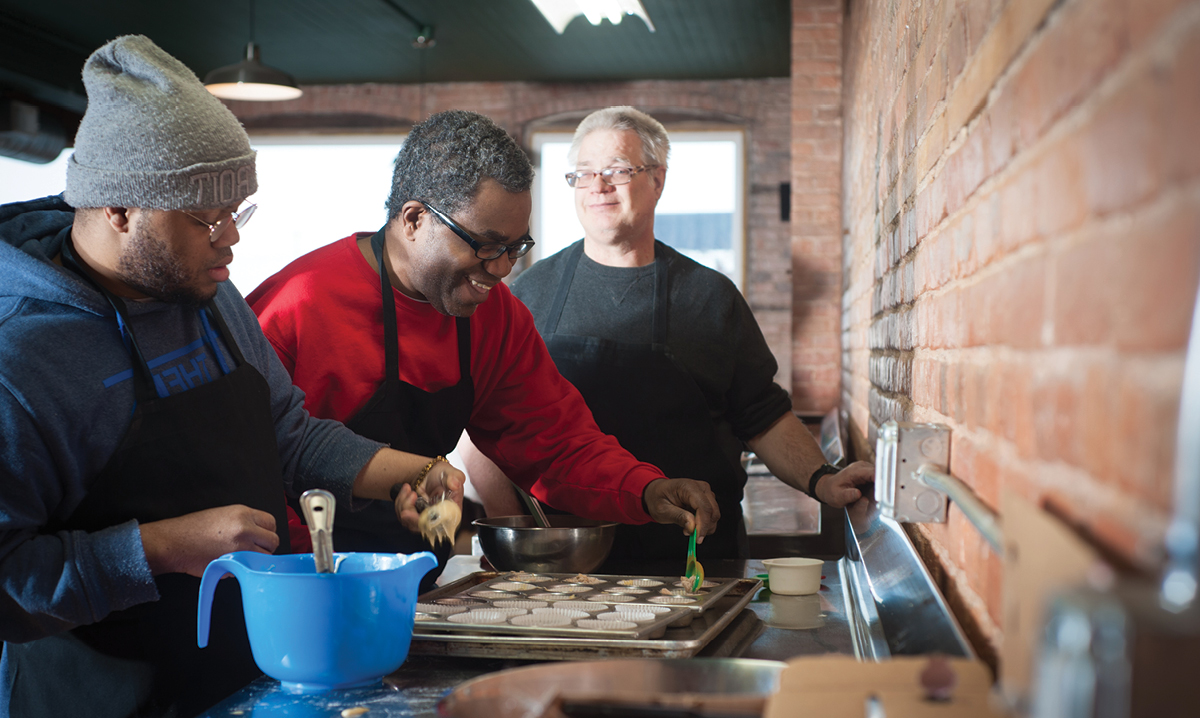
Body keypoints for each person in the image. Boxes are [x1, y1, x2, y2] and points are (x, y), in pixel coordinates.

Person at [0, 36, 464, 717]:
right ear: (119, 209)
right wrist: (159, 547)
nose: (232, 239)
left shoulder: (210, 299)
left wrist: (408, 471)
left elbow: (289, 434)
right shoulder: (22, 357)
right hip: (97, 694)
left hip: (237, 679)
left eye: (238, 212)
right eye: (206, 218)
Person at [247, 109, 721, 570]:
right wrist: (308, 579)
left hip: (417, 578)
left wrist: (644, 489)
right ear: (414, 220)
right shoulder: (298, 305)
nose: (502, 269)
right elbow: (252, 468)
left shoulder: (495, 318)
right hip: (303, 582)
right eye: (486, 246)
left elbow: (553, 442)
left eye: (515, 247)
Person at [462, 106, 875, 565]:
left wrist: (821, 479)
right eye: (583, 173)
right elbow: (480, 423)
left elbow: (763, 416)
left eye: (617, 170)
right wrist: (519, 532)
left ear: (657, 180)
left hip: (694, 562)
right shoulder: (525, 295)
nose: (597, 186)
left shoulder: (709, 297)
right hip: (567, 567)